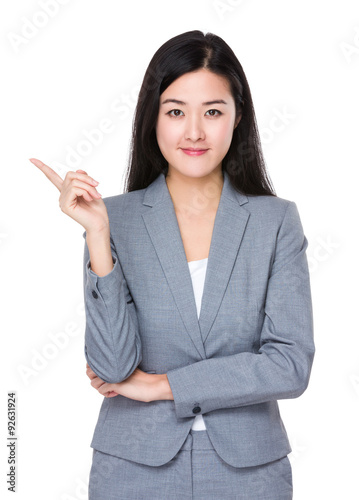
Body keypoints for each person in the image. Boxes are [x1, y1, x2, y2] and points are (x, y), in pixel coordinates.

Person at [30, 30, 315, 500]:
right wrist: (99, 237)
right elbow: (112, 365)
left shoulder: (275, 221)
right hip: (133, 467)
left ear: (237, 118)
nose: (195, 131)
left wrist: (162, 386)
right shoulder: (113, 218)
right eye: (176, 111)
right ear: (153, 119)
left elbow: (289, 365)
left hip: (249, 472)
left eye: (213, 112)